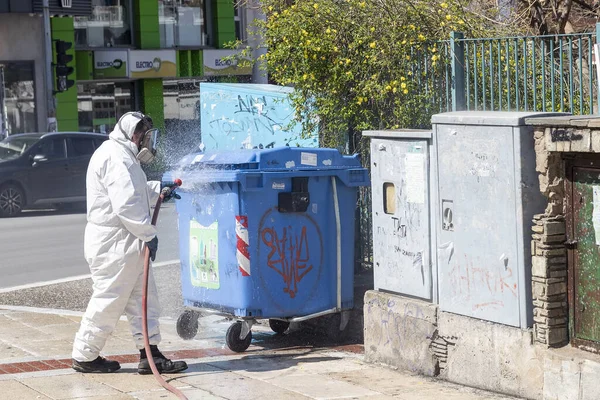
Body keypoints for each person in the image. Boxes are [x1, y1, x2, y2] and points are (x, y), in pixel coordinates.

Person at [71, 112, 188, 375]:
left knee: (143, 300)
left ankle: (151, 355)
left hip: (125, 242)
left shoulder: (124, 155)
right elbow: (126, 205)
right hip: (114, 243)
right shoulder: (116, 157)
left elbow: (135, 190)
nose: (145, 141)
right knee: (109, 299)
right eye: (142, 135)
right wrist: (149, 234)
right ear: (131, 134)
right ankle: (84, 355)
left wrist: (160, 189)